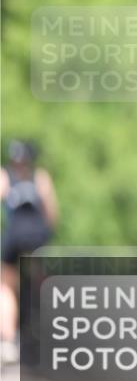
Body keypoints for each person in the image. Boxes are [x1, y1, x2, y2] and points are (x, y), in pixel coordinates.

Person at [1, 139, 58, 364]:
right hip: (36, 238)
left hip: (13, 237)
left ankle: (7, 341)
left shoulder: (5, 175)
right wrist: (48, 235)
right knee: (41, 284)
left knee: (5, 286)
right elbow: (52, 213)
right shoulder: (40, 177)